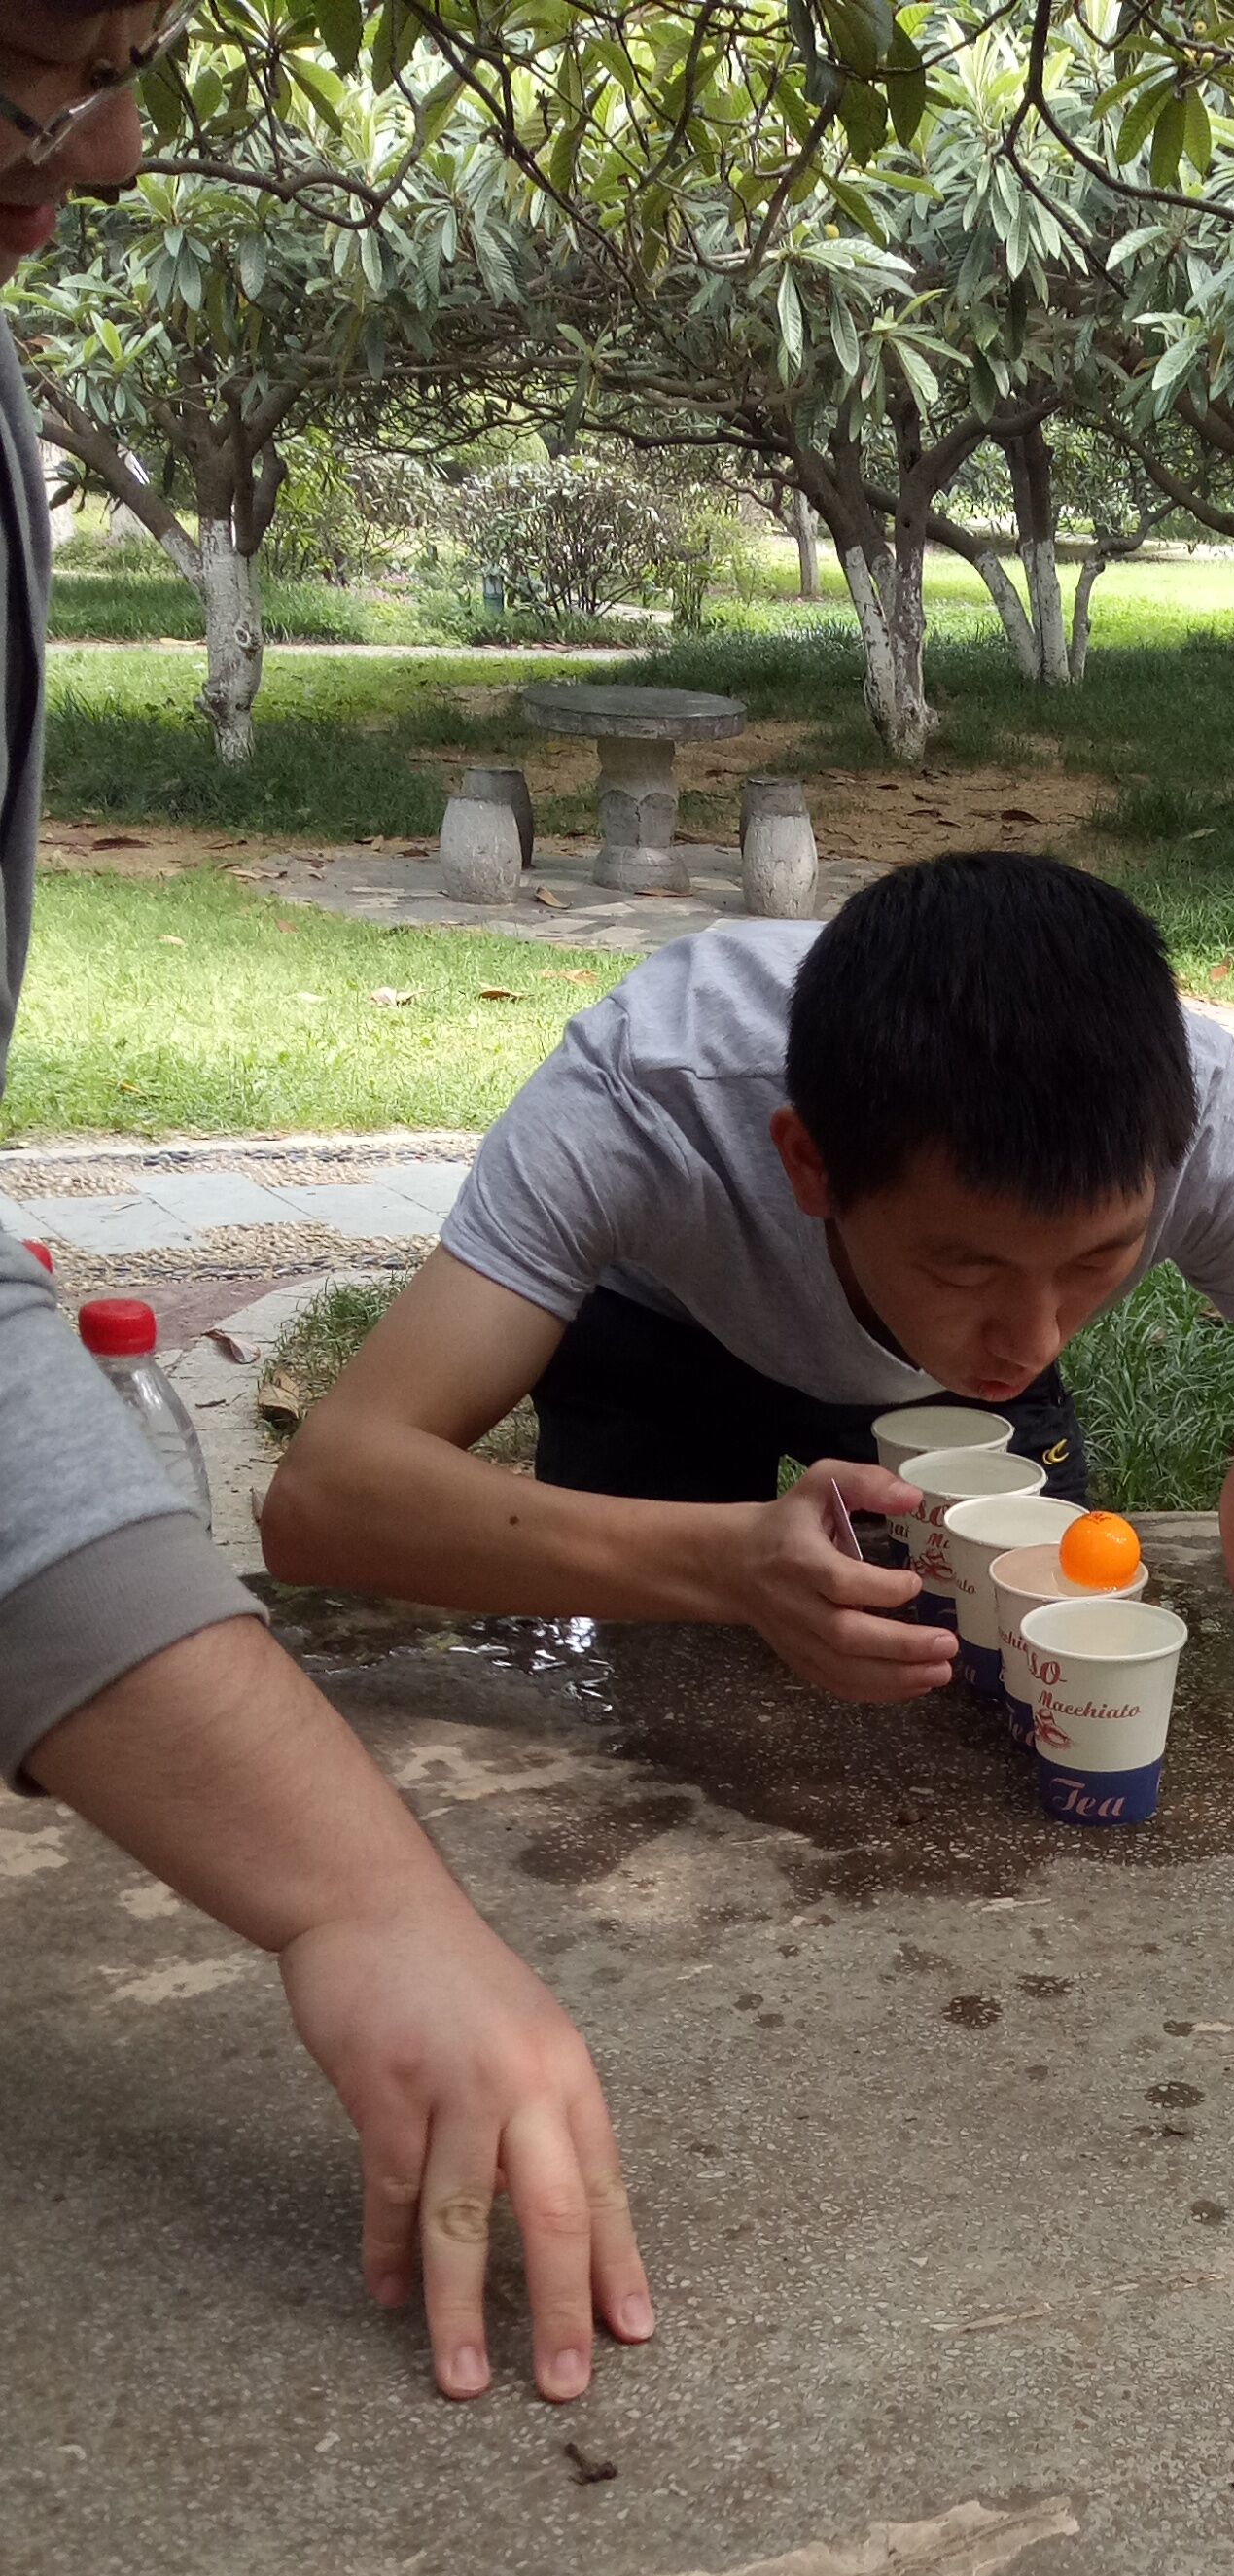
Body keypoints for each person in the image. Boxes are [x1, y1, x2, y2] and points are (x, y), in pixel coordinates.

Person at [0, 2, 652, 2406]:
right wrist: (361, 1888)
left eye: (129, 61)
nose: (116, 152)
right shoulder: (639, 1096)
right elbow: (341, 1495)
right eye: (37, 59)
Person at [261, 852, 1234, 1684]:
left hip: (923, 1393)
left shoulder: (1193, 1119)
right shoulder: (644, 1096)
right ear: (807, 1163)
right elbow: (326, 1501)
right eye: (967, 1264)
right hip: (667, 1324)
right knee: (654, 1669)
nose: (1035, 1341)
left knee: (998, 1664)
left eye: (1098, 1260)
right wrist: (715, 1563)